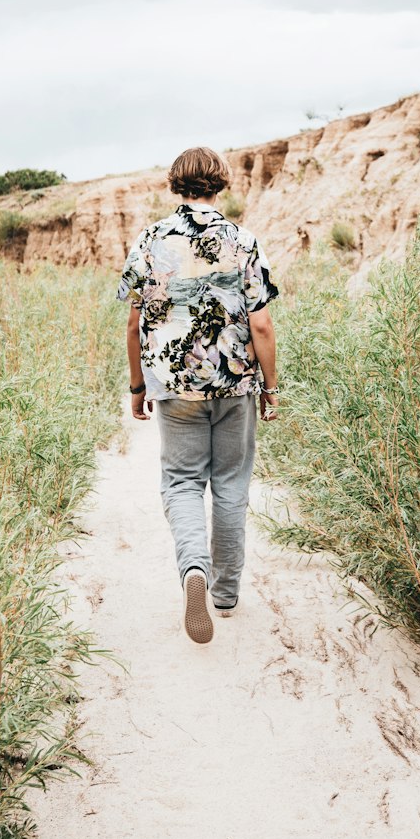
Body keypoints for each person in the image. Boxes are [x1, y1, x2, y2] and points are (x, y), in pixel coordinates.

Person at [117, 146, 279, 644]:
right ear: (221, 184)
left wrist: (138, 385)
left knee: (183, 483)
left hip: (175, 384)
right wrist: (270, 387)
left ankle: (194, 571)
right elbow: (262, 325)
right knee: (230, 484)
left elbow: (134, 320)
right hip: (234, 382)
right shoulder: (243, 240)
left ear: (174, 185)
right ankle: (226, 596)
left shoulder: (150, 240)